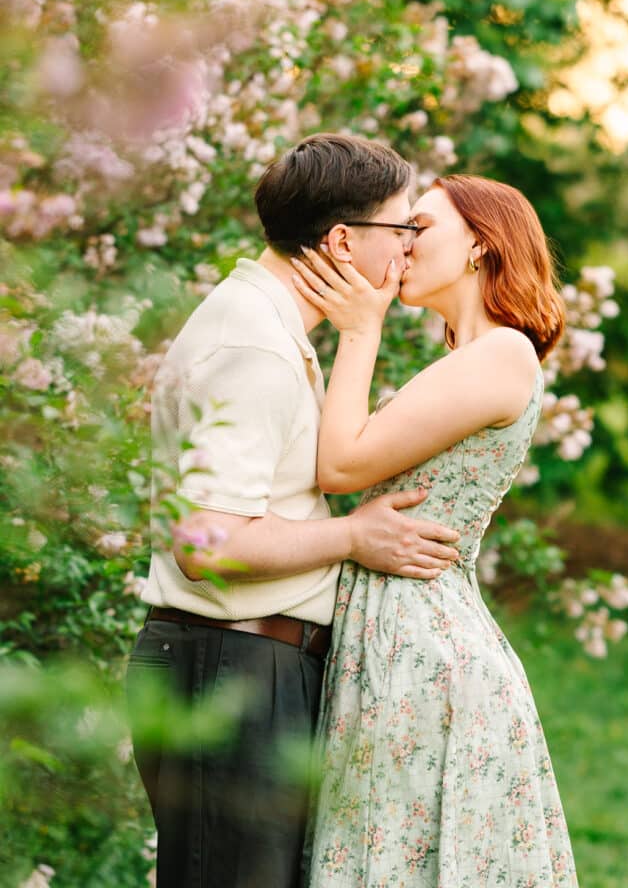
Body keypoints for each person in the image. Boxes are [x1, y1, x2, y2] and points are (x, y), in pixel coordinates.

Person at [126, 134, 461, 888]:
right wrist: (354, 536)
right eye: (402, 230)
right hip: (228, 672)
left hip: (242, 665)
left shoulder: (269, 329)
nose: (408, 251)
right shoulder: (255, 348)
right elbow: (205, 543)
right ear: (344, 239)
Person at [293, 175, 579, 887]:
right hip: (394, 642)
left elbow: (341, 463)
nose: (403, 242)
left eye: (420, 226)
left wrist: (361, 329)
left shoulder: (502, 354)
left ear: (480, 243)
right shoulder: (465, 361)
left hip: (425, 657)